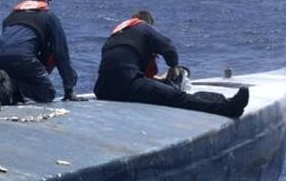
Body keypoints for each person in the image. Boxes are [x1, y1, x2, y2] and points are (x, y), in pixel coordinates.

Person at [93, 10, 248, 118]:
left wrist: (158, 80)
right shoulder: (143, 27)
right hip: (127, 85)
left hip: (102, 89)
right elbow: (169, 48)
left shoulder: (116, 35)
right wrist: (173, 67)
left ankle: (221, 99)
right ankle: (229, 108)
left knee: (166, 92)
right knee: (178, 97)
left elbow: (125, 71)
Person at [0, 0, 77, 105]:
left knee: (14, 88)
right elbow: (61, 53)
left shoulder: (10, 17)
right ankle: (11, 87)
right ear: (44, 0)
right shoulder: (48, 16)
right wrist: (69, 90)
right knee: (47, 94)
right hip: (22, 58)